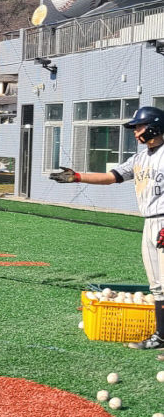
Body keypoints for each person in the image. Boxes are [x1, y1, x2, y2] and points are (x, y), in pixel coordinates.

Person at [50, 106, 164, 355]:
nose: (135, 133)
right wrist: (77, 177)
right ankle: (161, 336)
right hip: (150, 223)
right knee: (157, 285)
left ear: (155, 126)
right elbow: (111, 176)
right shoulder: (140, 158)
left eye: (139, 127)